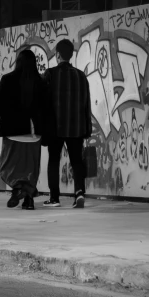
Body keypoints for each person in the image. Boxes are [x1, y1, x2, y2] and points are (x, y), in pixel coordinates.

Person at [0, 49, 47, 210]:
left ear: (18, 62)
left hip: (12, 132)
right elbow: (46, 109)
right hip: (33, 133)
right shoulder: (40, 81)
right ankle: (29, 200)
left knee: (9, 166)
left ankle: (17, 189)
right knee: (31, 168)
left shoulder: (7, 79)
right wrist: (47, 131)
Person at [42, 39, 92, 209]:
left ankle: (54, 198)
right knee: (77, 160)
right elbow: (87, 103)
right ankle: (79, 192)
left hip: (55, 127)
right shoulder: (81, 75)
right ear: (71, 55)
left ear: (57, 55)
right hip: (76, 126)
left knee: (54, 160)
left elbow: (44, 102)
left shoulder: (50, 74)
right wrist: (87, 128)